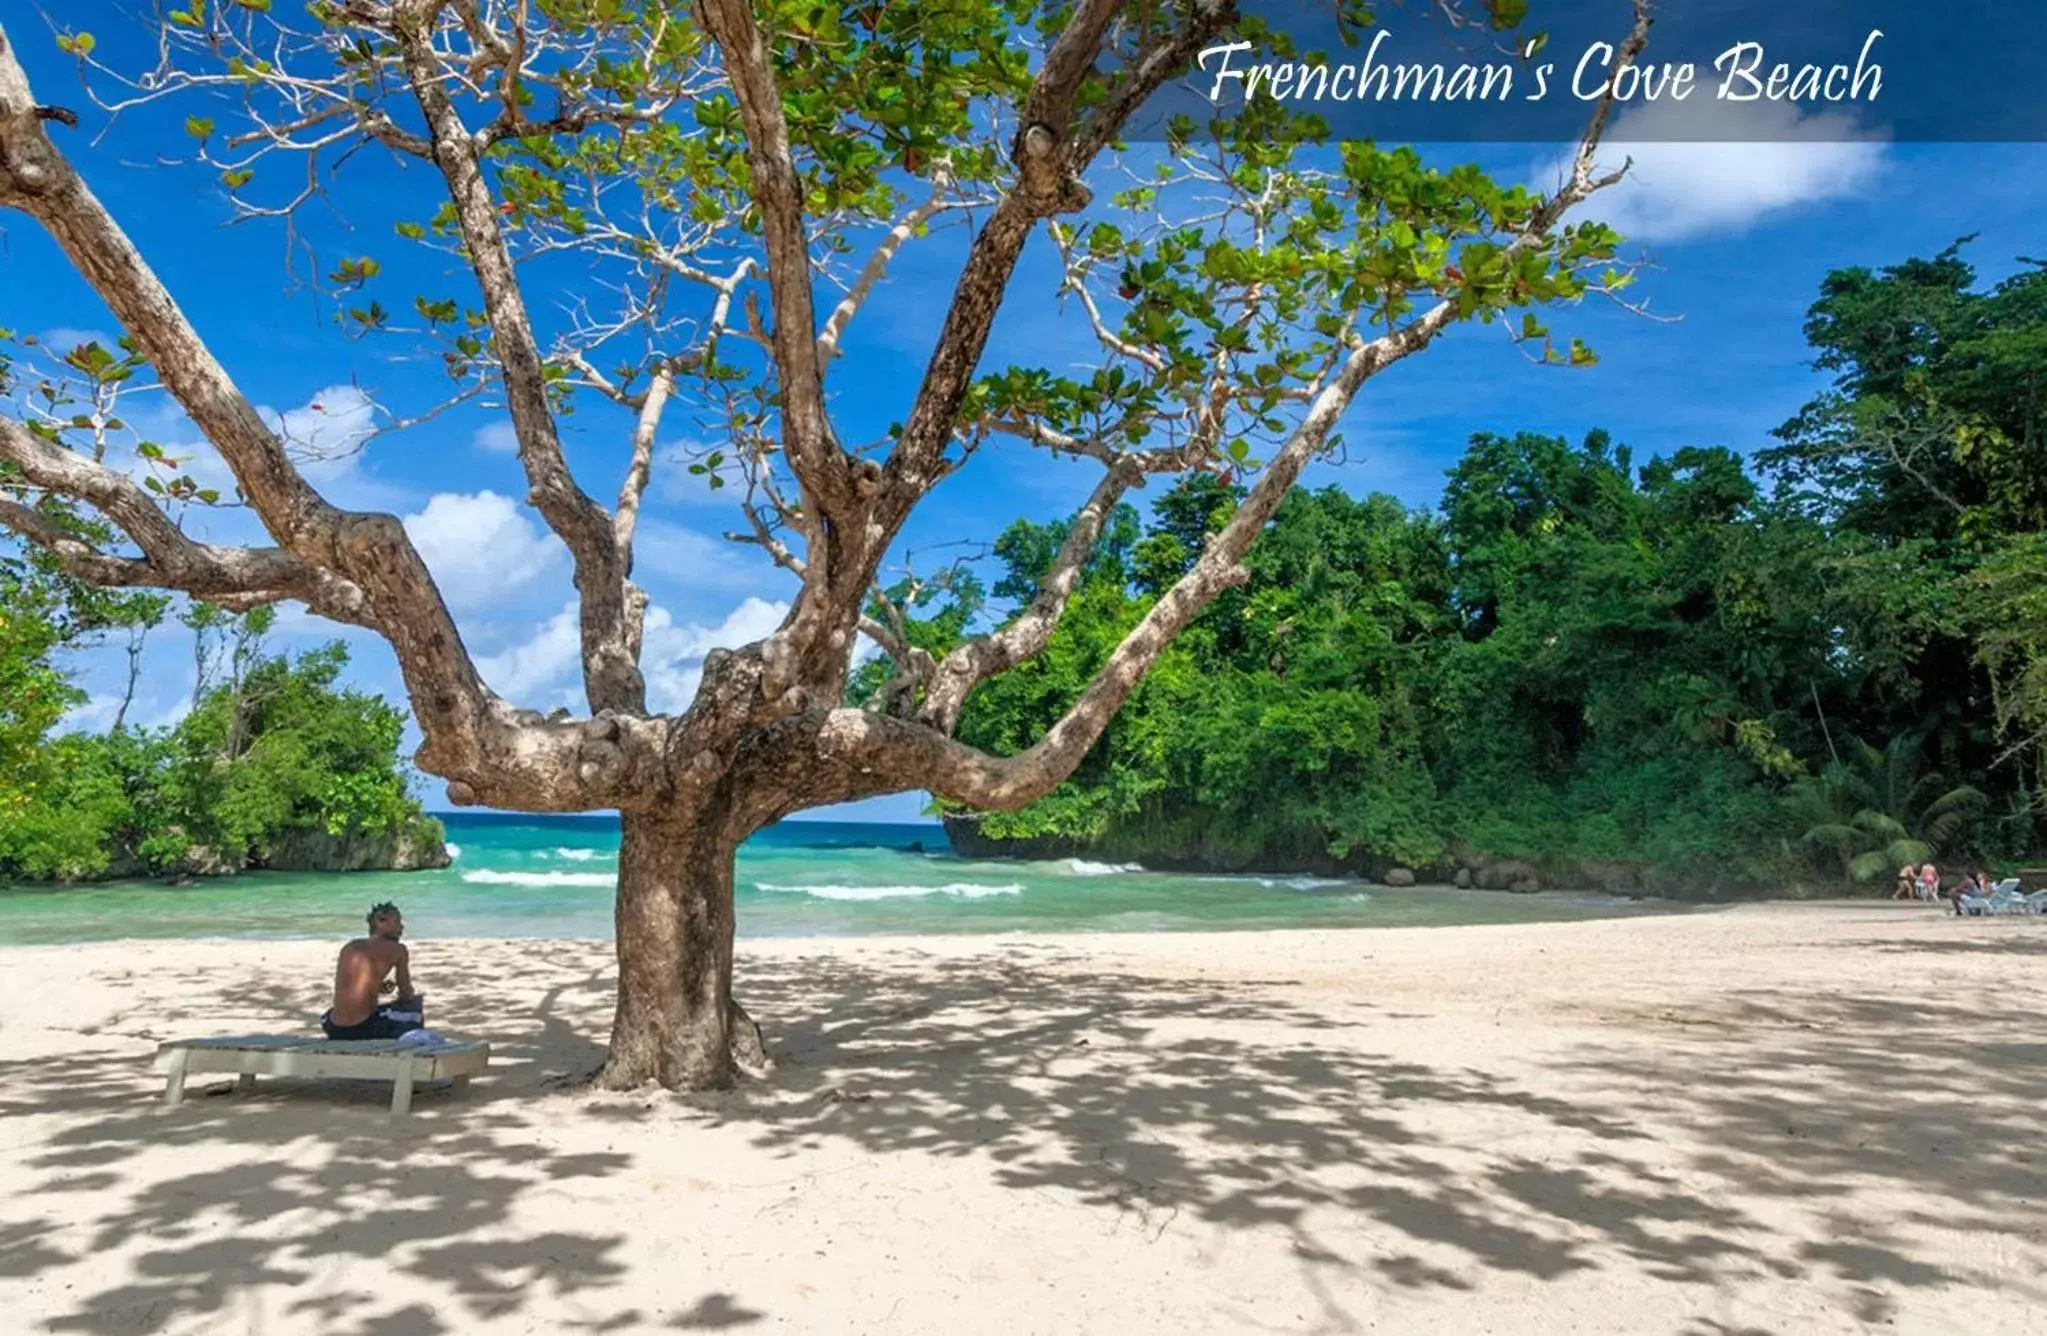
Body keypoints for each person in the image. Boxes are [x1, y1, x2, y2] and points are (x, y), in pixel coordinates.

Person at [321, 902, 426, 1040]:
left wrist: (377, 986)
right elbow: (406, 993)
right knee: (414, 1011)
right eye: (397, 922)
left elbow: (351, 985)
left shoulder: (350, 947)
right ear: (380, 922)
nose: (401, 927)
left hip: (334, 1026)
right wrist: (408, 999)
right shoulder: (398, 950)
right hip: (362, 1027)